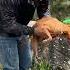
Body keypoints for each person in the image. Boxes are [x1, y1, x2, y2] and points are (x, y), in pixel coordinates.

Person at [0, 0, 50, 70]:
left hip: (23, 30)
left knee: (26, 65)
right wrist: (34, 31)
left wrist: (47, 21)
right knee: (12, 67)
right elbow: (8, 24)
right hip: (4, 32)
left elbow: (44, 8)